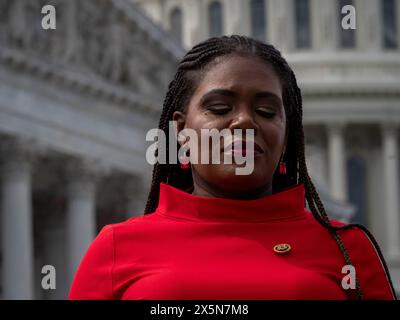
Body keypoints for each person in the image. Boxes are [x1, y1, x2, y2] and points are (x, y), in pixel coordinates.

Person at [68, 35, 397, 300]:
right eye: (220, 107)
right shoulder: (116, 247)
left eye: (267, 111)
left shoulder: (348, 248)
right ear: (180, 130)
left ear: (286, 136)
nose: (243, 121)